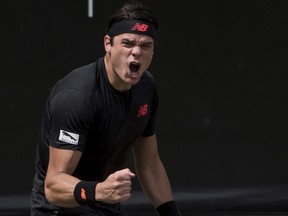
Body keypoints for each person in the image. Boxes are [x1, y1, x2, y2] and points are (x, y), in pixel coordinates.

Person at [30, 1, 181, 215]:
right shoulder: (77, 97)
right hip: (58, 209)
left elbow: (150, 164)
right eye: (127, 43)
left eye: (146, 45)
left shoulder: (146, 88)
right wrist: (99, 191)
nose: (136, 52)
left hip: (105, 203)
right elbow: (53, 187)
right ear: (108, 44)